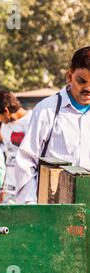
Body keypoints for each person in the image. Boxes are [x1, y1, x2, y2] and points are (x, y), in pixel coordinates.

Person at [15, 46, 90, 204]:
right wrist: (31, 206)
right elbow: (26, 161)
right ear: (69, 76)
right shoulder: (47, 110)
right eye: (82, 81)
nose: (88, 89)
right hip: (55, 207)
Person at [0, 91, 32, 204]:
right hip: (10, 189)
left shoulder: (33, 121)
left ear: (6, 111)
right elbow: (9, 157)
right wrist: (4, 187)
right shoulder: (5, 127)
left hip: (30, 186)